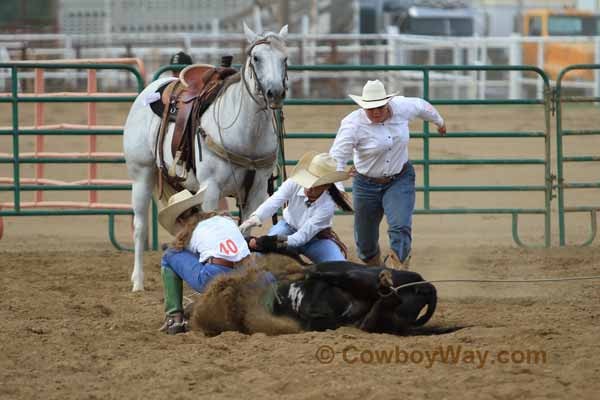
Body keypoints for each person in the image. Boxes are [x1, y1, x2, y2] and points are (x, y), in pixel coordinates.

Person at [329, 80, 447, 269]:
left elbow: (422, 107)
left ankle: (400, 275)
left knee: (400, 226)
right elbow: (337, 158)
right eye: (370, 108)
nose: (375, 112)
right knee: (365, 243)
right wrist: (339, 187)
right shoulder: (352, 124)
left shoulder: (402, 107)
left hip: (399, 178)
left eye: (380, 107)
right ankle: (377, 272)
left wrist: (439, 122)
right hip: (365, 183)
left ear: (387, 103)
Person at [158, 185, 266, 335]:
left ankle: (174, 318)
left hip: (217, 277)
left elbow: (191, 260)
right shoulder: (225, 219)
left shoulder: (189, 233)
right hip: (249, 275)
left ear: (181, 221)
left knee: (169, 255)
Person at [239, 151, 353, 263]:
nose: (308, 187)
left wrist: (272, 241)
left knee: (338, 263)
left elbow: (301, 237)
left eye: (315, 185)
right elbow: (275, 200)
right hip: (287, 228)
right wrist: (257, 216)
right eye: (308, 181)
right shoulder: (294, 182)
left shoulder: (328, 204)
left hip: (316, 238)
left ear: (326, 186)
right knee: (262, 259)